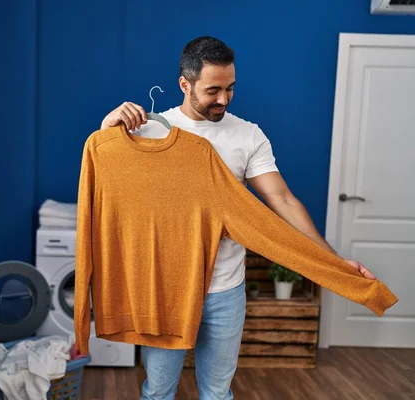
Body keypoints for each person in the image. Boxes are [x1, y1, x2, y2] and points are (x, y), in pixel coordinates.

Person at [98, 36, 377, 400]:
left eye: (230, 88)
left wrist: (332, 260)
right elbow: (110, 189)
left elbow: (282, 199)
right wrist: (107, 128)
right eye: (213, 90)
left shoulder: (247, 136)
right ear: (185, 84)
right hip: (165, 287)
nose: (224, 100)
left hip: (225, 290)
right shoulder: (148, 130)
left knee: (217, 392)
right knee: (158, 391)